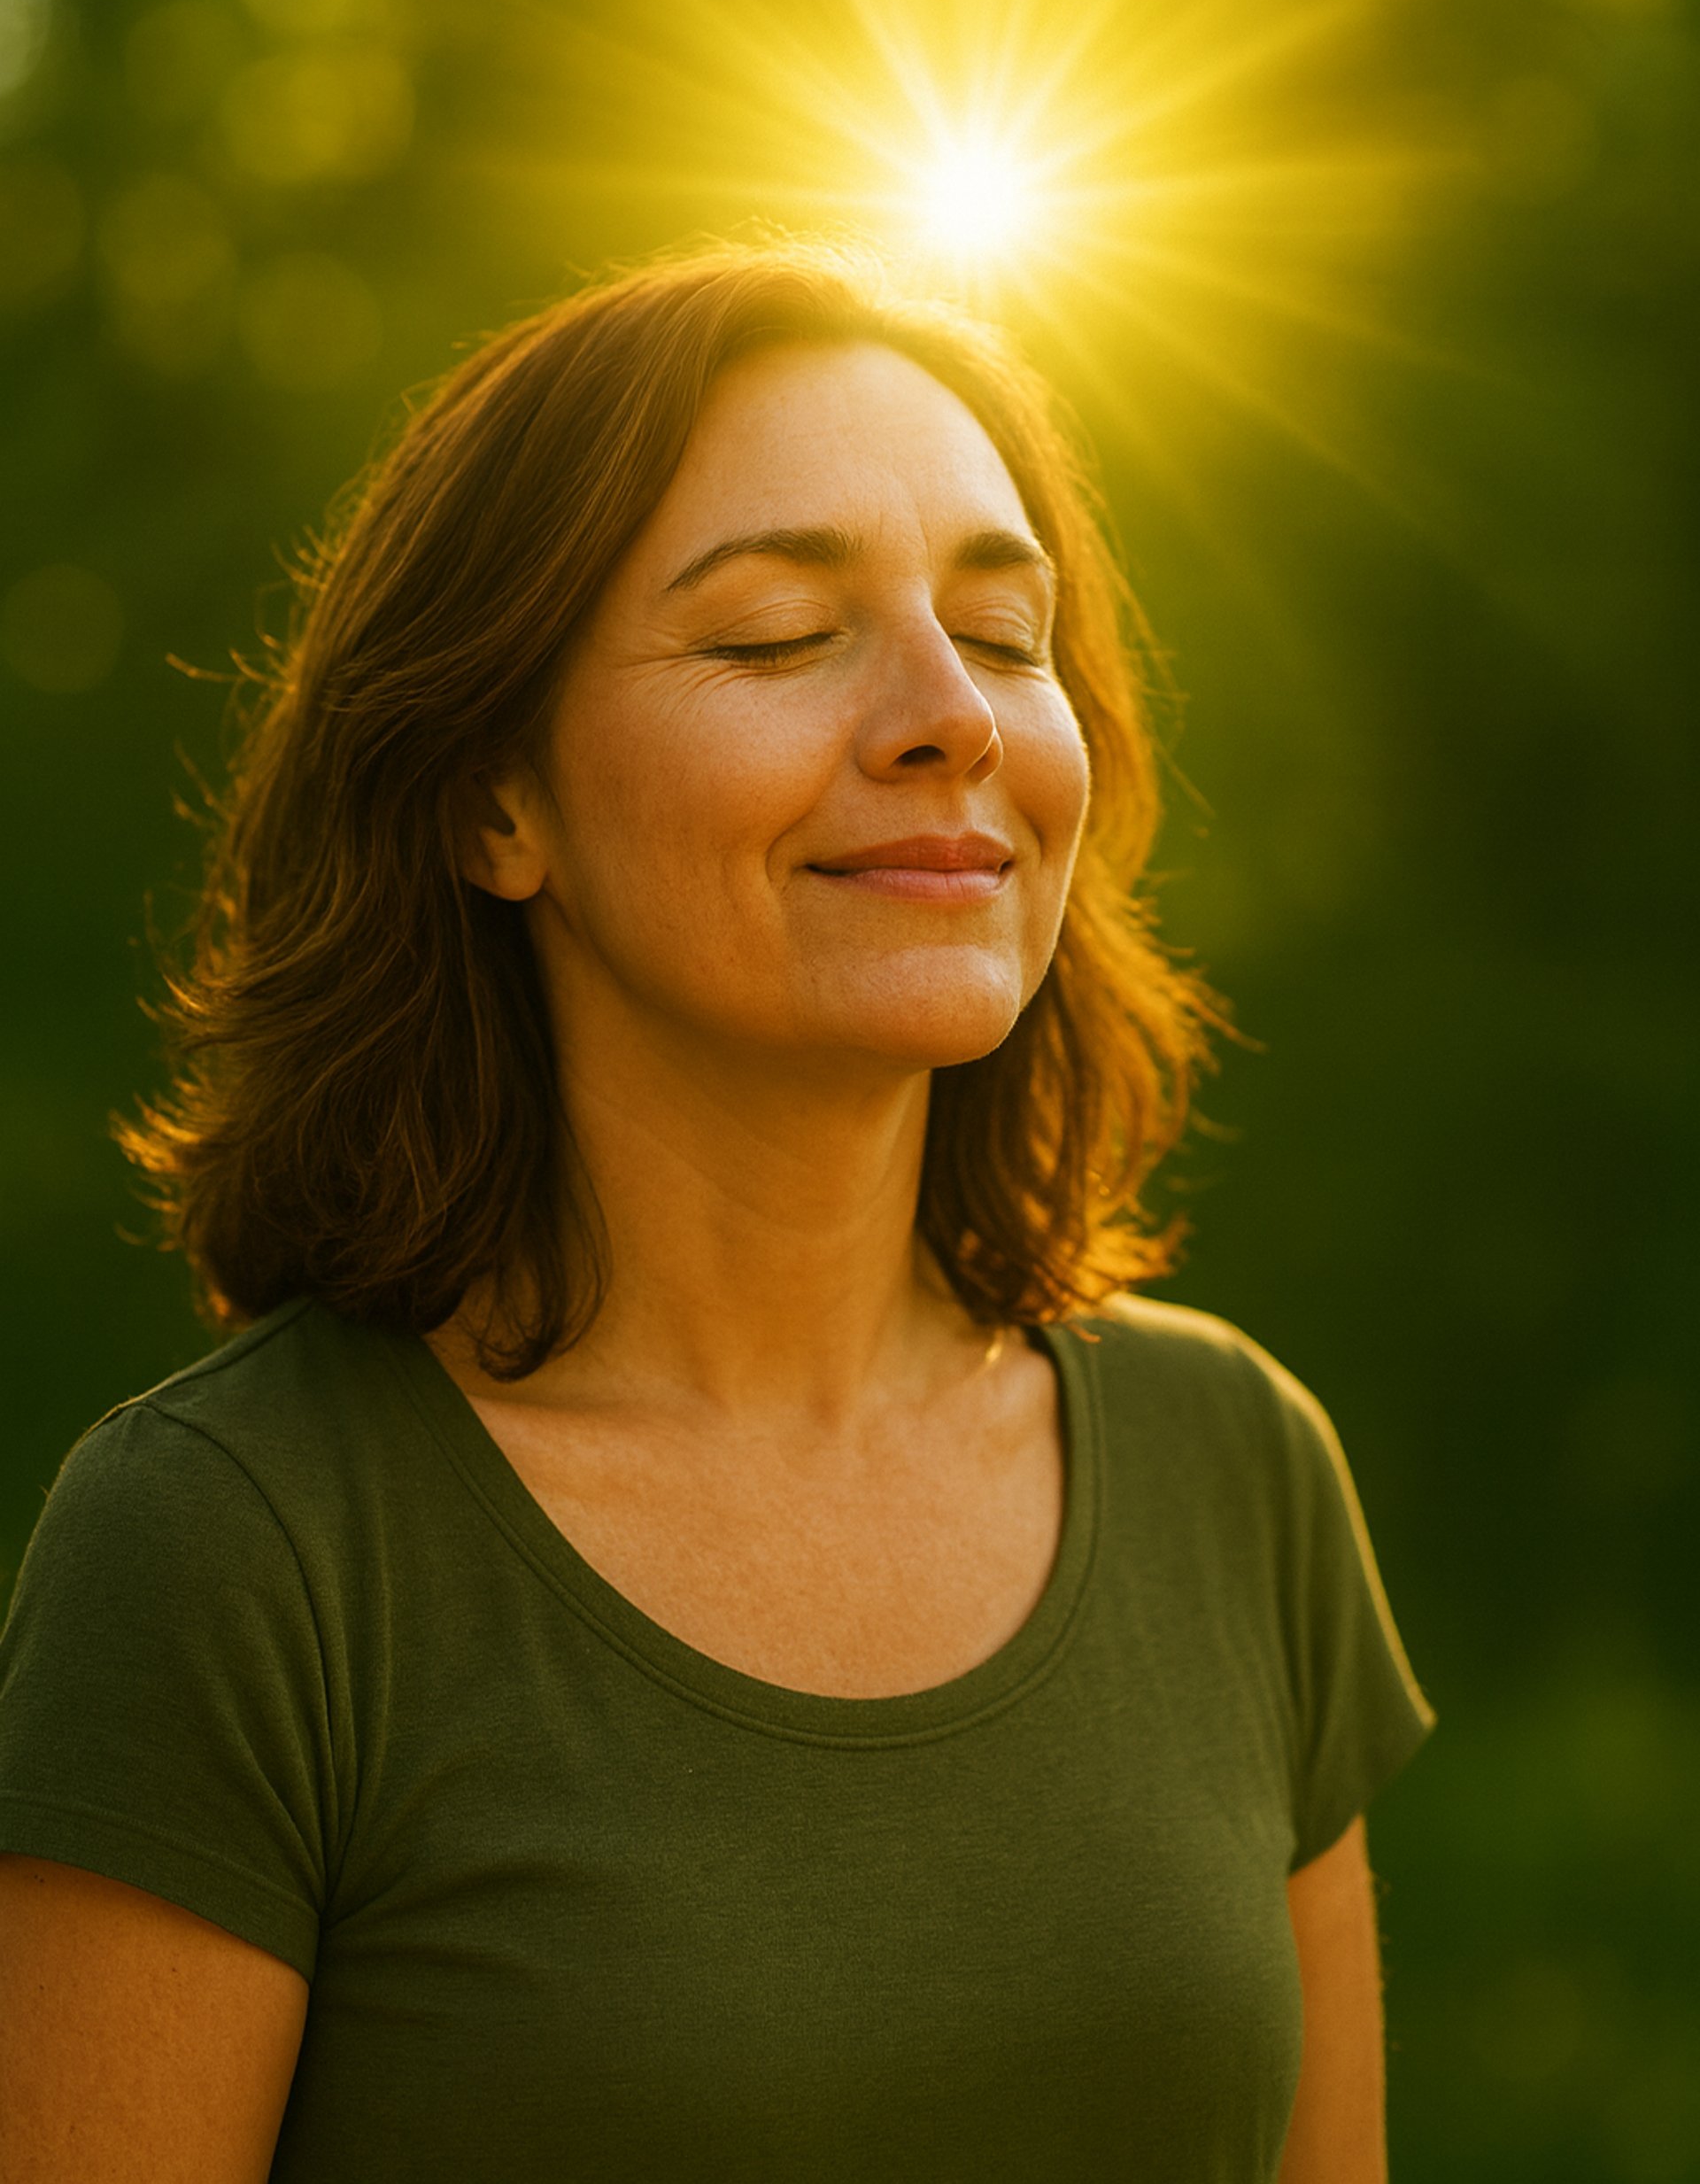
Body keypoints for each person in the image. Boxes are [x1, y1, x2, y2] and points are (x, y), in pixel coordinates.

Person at [0, 238, 1432, 2182]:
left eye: (1007, 636)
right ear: (491, 799)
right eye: (774, 636)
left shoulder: (1237, 1470)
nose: (955, 718)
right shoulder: (237, 1556)